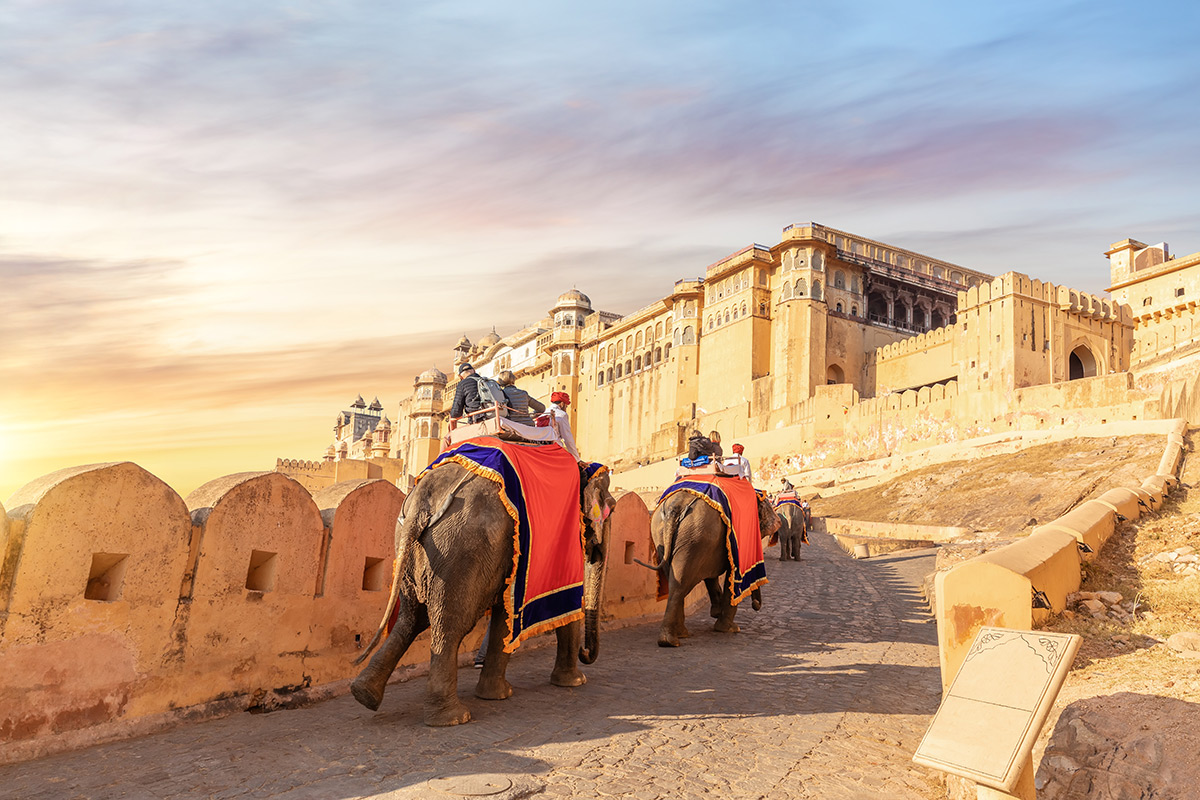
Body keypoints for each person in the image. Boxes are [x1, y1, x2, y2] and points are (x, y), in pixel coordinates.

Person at [448, 363, 484, 429]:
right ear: (474, 371)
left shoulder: (462, 384)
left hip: (476, 420)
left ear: (460, 377)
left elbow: (456, 412)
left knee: (447, 438)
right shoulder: (487, 381)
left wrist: (451, 417)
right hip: (493, 417)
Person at [548, 391, 581, 460]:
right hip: (555, 450)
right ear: (562, 404)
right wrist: (577, 459)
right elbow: (568, 438)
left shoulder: (543, 413)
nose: (566, 409)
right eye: (566, 406)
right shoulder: (561, 414)